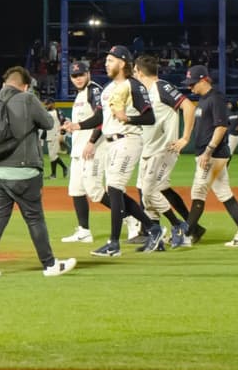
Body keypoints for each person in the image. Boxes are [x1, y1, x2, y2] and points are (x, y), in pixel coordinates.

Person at [0, 67, 76, 278]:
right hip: (23, 170)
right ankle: (50, 265)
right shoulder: (28, 99)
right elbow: (48, 123)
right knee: (34, 217)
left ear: (5, 82)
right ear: (26, 85)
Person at [65, 46, 161, 258]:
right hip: (112, 142)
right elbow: (100, 118)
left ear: (122, 62)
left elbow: (150, 117)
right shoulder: (109, 89)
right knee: (115, 190)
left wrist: (129, 118)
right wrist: (77, 126)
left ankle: (114, 243)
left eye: (110, 60)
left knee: (114, 189)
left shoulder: (133, 86)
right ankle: (153, 229)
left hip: (128, 140)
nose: (106, 64)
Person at [181, 66, 238, 247]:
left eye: (192, 84)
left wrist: (208, 151)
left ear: (204, 80)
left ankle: (186, 235)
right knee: (224, 194)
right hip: (211, 154)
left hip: (212, 155)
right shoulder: (204, 99)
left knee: (198, 192)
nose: (190, 88)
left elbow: (221, 127)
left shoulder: (215, 98)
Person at [131, 54, 196, 249]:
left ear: (140, 72)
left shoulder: (161, 87)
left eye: (134, 71)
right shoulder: (146, 92)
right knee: (145, 194)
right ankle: (156, 238)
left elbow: (189, 107)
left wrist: (185, 138)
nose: (133, 74)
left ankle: (179, 227)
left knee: (151, 191)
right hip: (149, 149)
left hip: (164, 150)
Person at [59, 61, 107, 243]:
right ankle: (84, 231)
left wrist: (92, 141)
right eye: (74, 76)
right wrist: (70, 127)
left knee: (94, 190)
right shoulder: (81, 94)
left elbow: (102, 118)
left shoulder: (94, 90)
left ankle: (131, 219)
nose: (78, 78)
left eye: (81, 74)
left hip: (92, 149)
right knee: (76, 190)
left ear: (88, 73)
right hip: (79, 150)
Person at [43, 99, 67, 178]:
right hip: (49, 136)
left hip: (57, 135)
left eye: (48, 104)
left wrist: (62, 134)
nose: (46, 106)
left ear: (53, 104)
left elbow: (63, 122)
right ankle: (55, 174)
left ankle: (60, 170)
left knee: (53, 155)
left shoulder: (58, 111)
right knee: (52, 156)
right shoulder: (46, 112)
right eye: (45, 104)